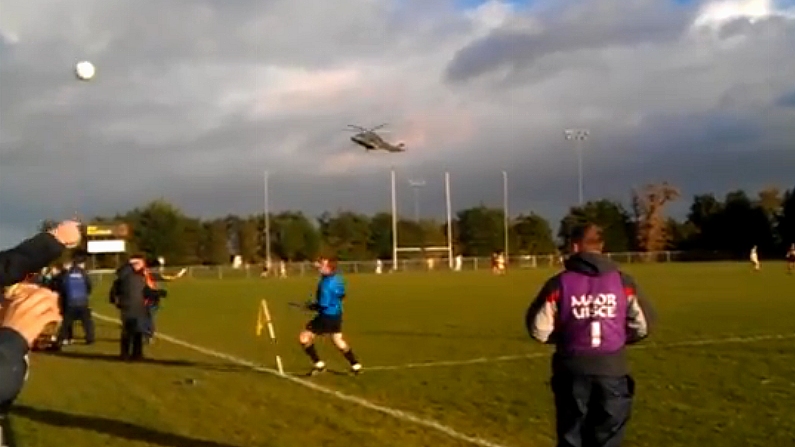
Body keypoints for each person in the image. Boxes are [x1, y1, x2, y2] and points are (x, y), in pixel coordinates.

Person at [525, 223, 655, 447]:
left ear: (575, 246)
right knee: (608, 438)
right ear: (601, 247)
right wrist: (620, 338)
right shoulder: (623, 282)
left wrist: (564, 337)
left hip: (572, 370)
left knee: (571, 436)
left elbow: (539, 329)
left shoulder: (559, 283)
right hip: (612, 370)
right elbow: (643, 325)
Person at [298, 256, 362, 375]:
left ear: (329, 268)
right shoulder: (338, 279)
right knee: (338, 340)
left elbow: (323, 305)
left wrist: (310, 306)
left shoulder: (325, 285)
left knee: (304, 337)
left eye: (323, 265)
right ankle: (356, 365)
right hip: (337, 315)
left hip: (326, 317)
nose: (319, 267)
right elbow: (342, 295)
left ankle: (319, 365)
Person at [110, 255, 149, 361]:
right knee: (135, 331)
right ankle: (136, 354)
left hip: (129, 306)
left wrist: (116, 302)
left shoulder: (123, 276)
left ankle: (126, 354)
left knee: (129, 331)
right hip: (135, 306)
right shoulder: (134, 276)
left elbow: (113, 292)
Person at [55, 259, 95, 346]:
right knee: (87, 322)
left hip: (71, 301)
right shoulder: (83, 273)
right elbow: (89, 285)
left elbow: (62, 286)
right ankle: (90, 338)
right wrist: (86, 294)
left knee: (66, 323)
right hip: (83, 301)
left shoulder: (66, 274)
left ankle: (61, 338)